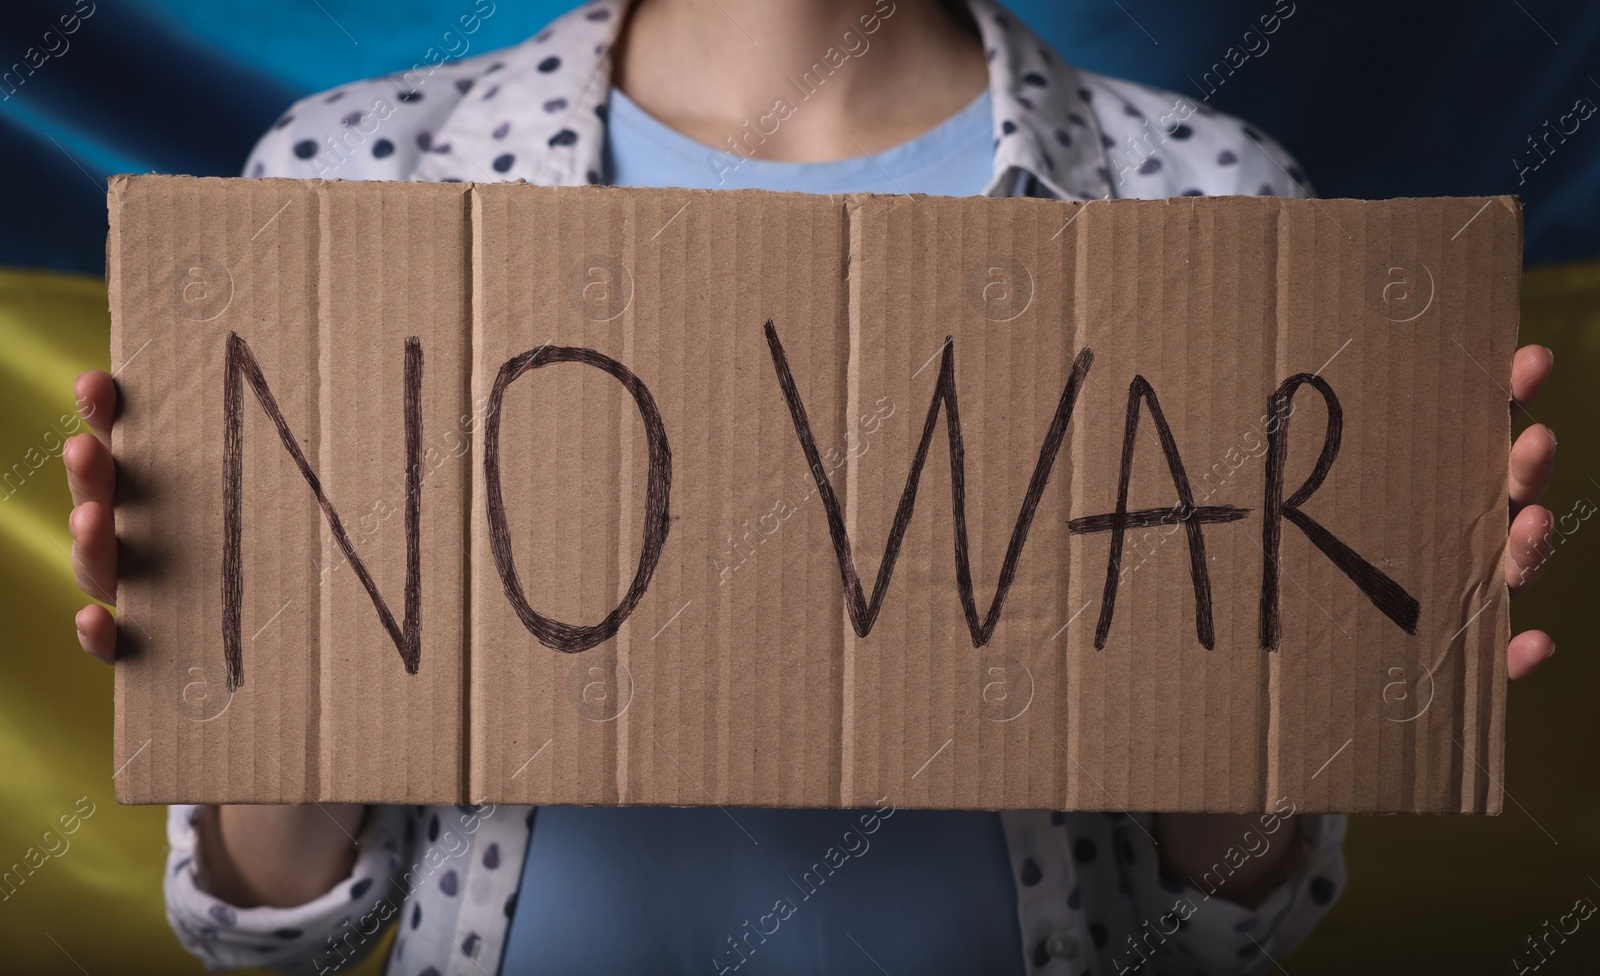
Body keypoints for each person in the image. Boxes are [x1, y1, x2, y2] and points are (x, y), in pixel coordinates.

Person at [64, 0, 1560, 973]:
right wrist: (244, 643)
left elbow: (1225, 926)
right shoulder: (352, 188)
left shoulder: (1210, 204)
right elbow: (276, 928)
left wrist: (1325, 637)